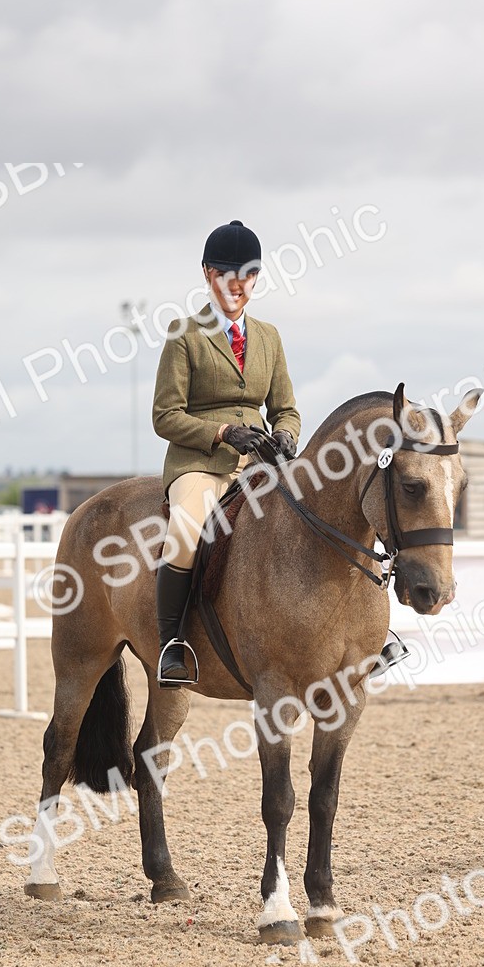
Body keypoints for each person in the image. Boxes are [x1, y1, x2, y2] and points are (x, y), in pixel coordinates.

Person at [152, 219, 301, 685]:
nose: (238, 285)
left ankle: (357, 635)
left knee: (321, 512)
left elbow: (286, 409)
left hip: (259, 462)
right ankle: (172, 644)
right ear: (207, 274)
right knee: (185, 531)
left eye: (248, 275)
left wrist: (286, 434)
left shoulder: (269, 336)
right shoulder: (184, 334)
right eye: (226, 274)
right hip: (200, 463)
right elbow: (165, 416)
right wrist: (220, 432)